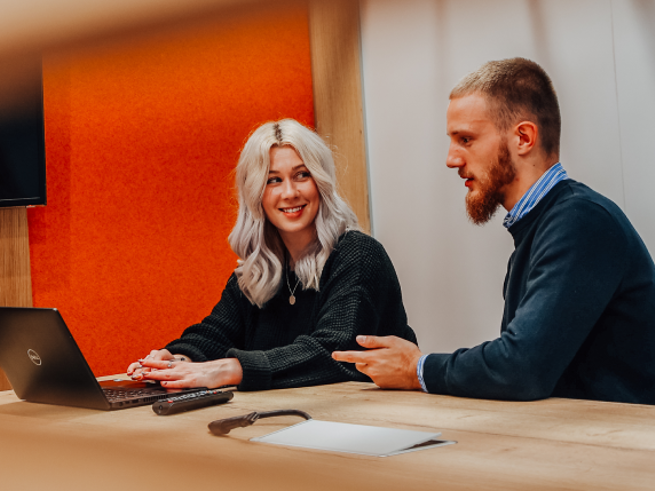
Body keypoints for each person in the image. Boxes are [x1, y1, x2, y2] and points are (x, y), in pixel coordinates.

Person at [333, 58, 655, 405]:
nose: (451, 159)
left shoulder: (581, 221)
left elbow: (521, 368)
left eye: (466, 139)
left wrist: (417, 369)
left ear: (523, 137)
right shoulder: (543, 224)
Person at [127, 118, 417, 391]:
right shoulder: (259, 269)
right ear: (256, 194)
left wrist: (233, 369)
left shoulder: (358, 254)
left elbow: (334, 351)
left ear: (321, 182)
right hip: (295, 422)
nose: (289, 192)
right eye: (273, 180)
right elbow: (215, 333)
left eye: (302, 175)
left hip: (371, 425)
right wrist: (174, 359)